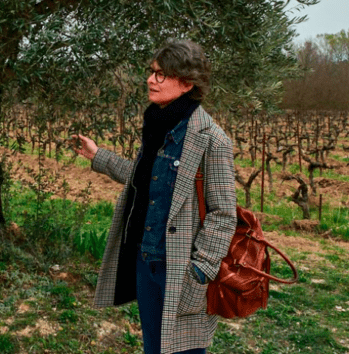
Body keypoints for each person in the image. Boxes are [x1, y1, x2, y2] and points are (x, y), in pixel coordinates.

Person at [72, 39, 236, 354]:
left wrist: (199, 271)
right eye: (151, 72)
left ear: (187, 83)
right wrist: (98, 156)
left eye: (161, 74)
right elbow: (144, 179)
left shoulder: (211, 140)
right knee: (153, 348)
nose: (150, 79)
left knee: (183, 351)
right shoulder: (157, 126)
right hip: (146, 260)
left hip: (181, 269)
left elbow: (223, 213)